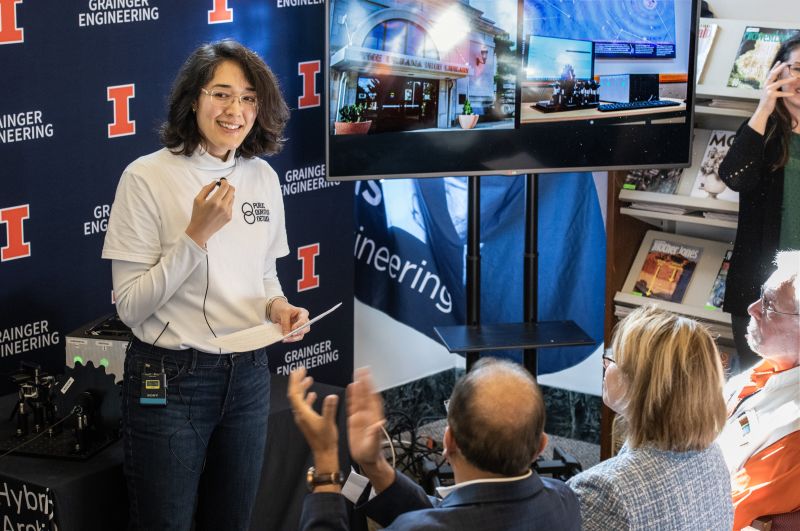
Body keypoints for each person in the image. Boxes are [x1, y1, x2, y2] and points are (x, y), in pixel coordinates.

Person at [102, 40, 309, 530]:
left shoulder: (262, 177)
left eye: (249, 98)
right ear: (194, 98)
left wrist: (278, 308)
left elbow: (263, 275)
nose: (235, 111)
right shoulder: (146, 178)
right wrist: (196, 236)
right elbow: (131, 307)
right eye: (222, 94)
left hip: (249, 376)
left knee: (231, 522)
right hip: (168, 379)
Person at [288, 360, 581, 530]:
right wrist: (373, 465)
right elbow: (444, 512)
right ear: (541, 446)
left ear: (448, 440)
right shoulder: (564, 500)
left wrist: (326, 465)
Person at [567, 306, 733, 530]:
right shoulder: (712, 454)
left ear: (643, 383)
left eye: (614, 356)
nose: (606, 364)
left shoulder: (603, 491)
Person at [719, 34, 800, 372]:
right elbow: (733, 177)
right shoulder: (762, 130)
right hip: (758, 291)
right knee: (757, 384)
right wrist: (764, 107)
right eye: (796, 69)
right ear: (777, 74)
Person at [717, 250, 800, 530]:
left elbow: (722, 516)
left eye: (769, 304)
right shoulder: (775, 365)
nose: (752, 308)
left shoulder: (794, 429)